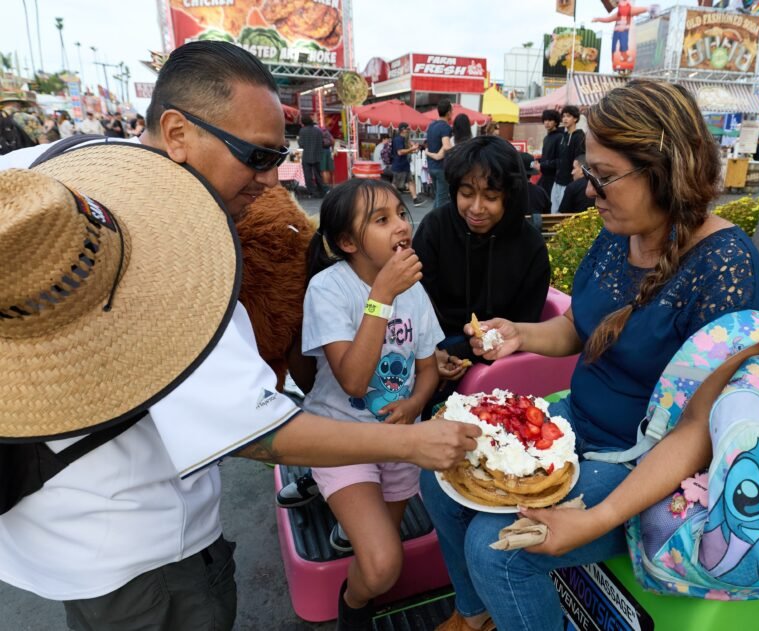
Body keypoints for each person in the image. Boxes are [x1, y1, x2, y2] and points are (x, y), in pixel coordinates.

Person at [0, 41, 480, 631]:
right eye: (256, 155)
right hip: (141, 550)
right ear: (177, 132)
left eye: (278, 154)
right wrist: (412, 443)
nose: (271, 178)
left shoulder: (33, 170)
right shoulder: (174, 258)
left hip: (53, 530)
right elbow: (260, 432)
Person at [420, 79, 759, 631]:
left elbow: (699, 429)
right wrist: (521, 335)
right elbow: (578, 328)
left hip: (645, 460)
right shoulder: (619, 231)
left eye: (603, 178)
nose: (588, 190)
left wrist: (598, 518)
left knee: (498, 550)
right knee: (439, 477)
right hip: (573, 424)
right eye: (589, 173)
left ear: (663, 171)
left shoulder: (726, 266)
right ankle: (474, 615)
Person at [301, 178, 443, 629]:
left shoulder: (414, 291)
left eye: (401, 213)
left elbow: (428, 368)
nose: (401, 225)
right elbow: (354, 380)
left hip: (399, 441)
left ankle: (356, 537)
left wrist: (415, 403)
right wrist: (381, 295)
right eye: (381, 220)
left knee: (382, 552)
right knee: (382, 566)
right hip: (341, 438)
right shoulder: (328, 289)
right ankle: (354, 604)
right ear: (348, 242)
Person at [413, 136, 551, 419]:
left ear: (509, 196)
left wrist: (463, 351)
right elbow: (416, 302)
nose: (476, 208)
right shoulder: (435, 228)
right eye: (466, 193)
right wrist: (430, 354)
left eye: (490, 197)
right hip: (433, 348)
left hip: (500, 356)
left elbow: (525, 323)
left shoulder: (531, 246)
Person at [551, 105, 585, 214]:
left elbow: (579, 161)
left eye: (568, 116)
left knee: (564, 214)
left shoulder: (579, 136)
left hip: (569, 183)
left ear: (575, 118)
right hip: (558, 180)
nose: (565, 119)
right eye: (563, 116)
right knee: (554, 211)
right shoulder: (563, 136)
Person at [426, 98, 453, 209]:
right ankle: (437, 219)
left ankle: (433, 217)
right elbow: (447, 146)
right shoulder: (445, 127)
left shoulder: (431, 126)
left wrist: (431, 154)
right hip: (441, 167)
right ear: (449, 113)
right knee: (442, 200)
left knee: (438, 198)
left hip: (431, 166)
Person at [391, 122, 425, 207]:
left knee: (410, 181)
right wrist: (412, 149)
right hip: (399, 165)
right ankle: (388, 199)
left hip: (405, 164)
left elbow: (406, 151)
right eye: (408, 129)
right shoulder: (398, 139)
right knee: (395, 184)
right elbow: (400, 152)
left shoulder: (404, 139)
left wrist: (413, 149)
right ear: (403, 130)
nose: (409, 130)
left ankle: (415, 199)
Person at [532, 109, 563, 197]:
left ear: (556, 122)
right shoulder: (546, 138)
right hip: (545, 176)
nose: (547, 123)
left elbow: (560, 160)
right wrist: (538, 160)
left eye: (550, 120)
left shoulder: (560, 137)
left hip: (554, 178)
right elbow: (547, 157)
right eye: (545, 120)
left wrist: (542, 164)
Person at [298, 114, 325, 197]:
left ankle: (313, 192)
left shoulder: (302, 131)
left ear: (303, 122)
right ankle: (321, 191)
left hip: (307, 156)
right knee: (318, 175)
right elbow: (322, 143)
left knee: (308, 175)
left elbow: (301, 145)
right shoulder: (318, 130)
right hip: (317, 155)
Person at [319, 123, 335, 188]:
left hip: (322, 151)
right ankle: (328, 184)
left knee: (323, 169)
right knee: (328, 169)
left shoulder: (319, 133)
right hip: (328, 151)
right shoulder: (328, 133)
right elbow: (333, 141)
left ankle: (325, 186)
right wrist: (332, 149)